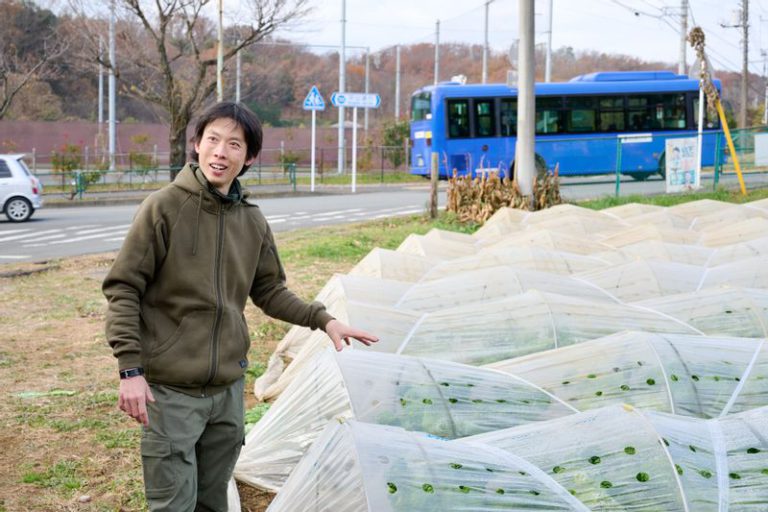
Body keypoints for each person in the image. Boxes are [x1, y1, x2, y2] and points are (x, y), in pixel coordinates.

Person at [102, 101, 378, 511]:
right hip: (170, 392)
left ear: (248, 157)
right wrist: (130, 370)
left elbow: (269, 291)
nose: (220, 152)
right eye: (212, 140)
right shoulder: (164, 208)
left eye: (234, 144)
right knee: (172, 505)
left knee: (214, 502)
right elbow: (123, 287)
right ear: (196, 145)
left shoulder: (251, 221)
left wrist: (325, 321)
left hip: (227, 393)